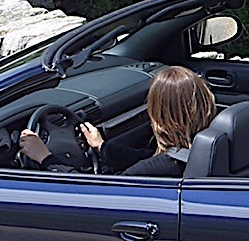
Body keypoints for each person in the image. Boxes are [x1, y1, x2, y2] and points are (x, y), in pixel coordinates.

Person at [18, 65, 216, 177]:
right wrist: (102, 147)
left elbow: (91, 195)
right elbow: (146, 157)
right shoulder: (211, 150)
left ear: (159, 114)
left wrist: (45, 158)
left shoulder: (156, 170)